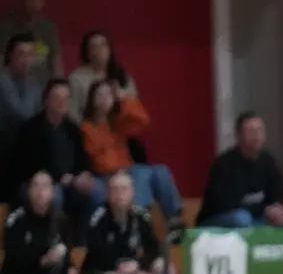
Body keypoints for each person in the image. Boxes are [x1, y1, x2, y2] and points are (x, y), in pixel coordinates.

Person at [80, 79, 183, 227]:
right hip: (106, 176)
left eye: (108, 94)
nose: (104, 98)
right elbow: (98, 158)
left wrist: (125, 98)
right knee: (133, 179)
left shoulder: (118, 122)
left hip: (129, 170)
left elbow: (143, 120)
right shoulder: (87, 127)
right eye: (100, 95)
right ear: (92, 100)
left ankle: (174, 221)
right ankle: (135, 221)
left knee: (161, 171)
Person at [197, 113, 283, 229]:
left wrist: (277, 209)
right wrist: (265, 210)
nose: (257, 136)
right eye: (251, 132)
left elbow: (279, 194)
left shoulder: (269, 161)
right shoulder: (224, 165)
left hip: (258, 218)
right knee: (242, 218)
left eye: (260, 131)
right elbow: (226, 204)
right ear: (239, 136)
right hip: (222, 218)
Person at [8, 79, 94, 220]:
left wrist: (85, 174)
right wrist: (61, 178)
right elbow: (29, 165)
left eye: (66, 98)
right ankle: (52, 233)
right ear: (46, 100)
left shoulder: (72, 129)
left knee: (96, 191)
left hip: (71, 181)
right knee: (54, 196)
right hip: (37, 182)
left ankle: (88, 233)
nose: (62, 102)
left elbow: (82, 158)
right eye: (57, 97)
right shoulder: (30, 128)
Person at [83, 170, 164, 274]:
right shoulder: (99, 218)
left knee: (164, 267)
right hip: (102, 272)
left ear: (133, 192)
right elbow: (96, 255)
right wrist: (123, 268)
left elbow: (154, 250)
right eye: (115, 189)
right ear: (108, 195)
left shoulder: (141, 216)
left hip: (131, 270)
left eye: (124, 189)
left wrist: (138, 266)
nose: (119, 194)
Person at [0, 34, 43, 173]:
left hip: (25, 146)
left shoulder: (34, 83)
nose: (26, 59)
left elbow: (39, 117)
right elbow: (21, 114)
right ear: (10, 55)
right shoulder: (2, 79)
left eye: (30, 54)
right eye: (21, 54)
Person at [5, 0, 59, 87]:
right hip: (12, 86)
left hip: (42, 86)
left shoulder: (48, 28)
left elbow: (56, 63)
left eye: (40, 0)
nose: (36, 5)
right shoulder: (6, 27)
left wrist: (58, 86)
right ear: (21, 0)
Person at [69, 30, 137, 103]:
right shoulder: (77, 79)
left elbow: (135, 99)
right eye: (95, 46)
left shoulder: (121, 73)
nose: (100, 49)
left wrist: (123, 95)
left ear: (110, 49)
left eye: (104, 45)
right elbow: (74, 108)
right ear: (88, 54)